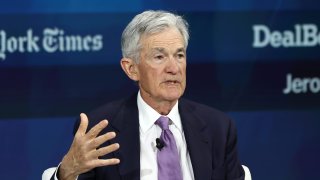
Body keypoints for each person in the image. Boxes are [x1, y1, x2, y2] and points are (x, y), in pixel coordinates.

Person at [50, 10, 244, 180]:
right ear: (131, 69)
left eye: (179, 55)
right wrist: (66, 173)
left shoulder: (218, 128)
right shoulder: (100, 130)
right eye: (159, 57)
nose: (173, 68)